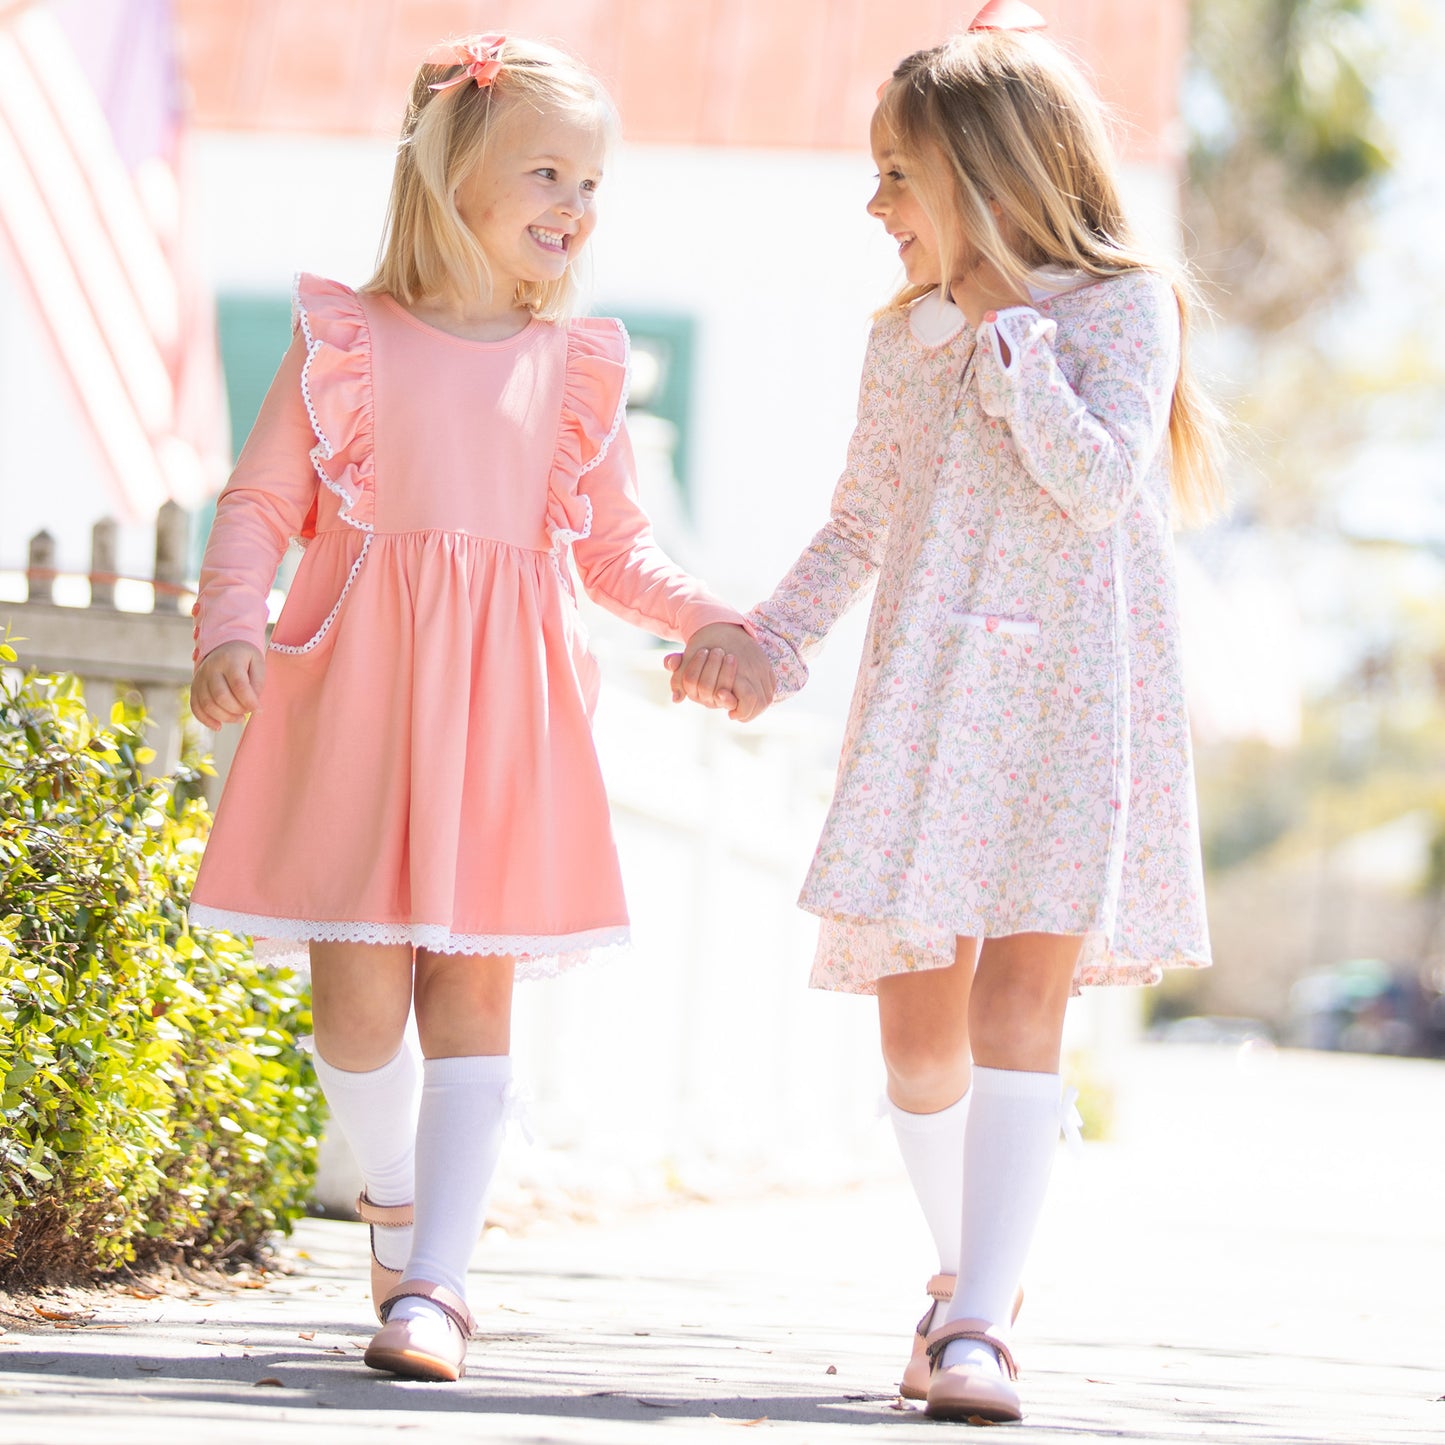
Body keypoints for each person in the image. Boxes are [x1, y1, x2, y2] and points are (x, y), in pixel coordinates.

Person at [187, 32, 773, 1384]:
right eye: (549, 173)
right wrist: (230, 623)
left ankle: (437, 1277)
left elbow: (616, 548)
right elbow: (264, 503)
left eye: (593, 184)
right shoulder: (344, 338)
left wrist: (712, 619)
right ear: (454, 173)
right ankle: (394, 1193)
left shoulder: (572, 369)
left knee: (472, 995)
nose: (574, 206)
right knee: (352, 1010)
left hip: (504, 717)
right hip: (355, 705)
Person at [669, 1, 1221, 1424]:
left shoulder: (1119, 309)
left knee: (1016, 1001)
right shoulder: (898, 341)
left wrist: (1011, 341)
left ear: (988, 175)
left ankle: (978, 1319)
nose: (874, 204)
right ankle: (969, 1269)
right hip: (929, 701)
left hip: (1065, 705)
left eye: (898, 175)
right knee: (917, 1033)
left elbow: (1096, 481)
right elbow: (859, 520)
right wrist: (769, 642)